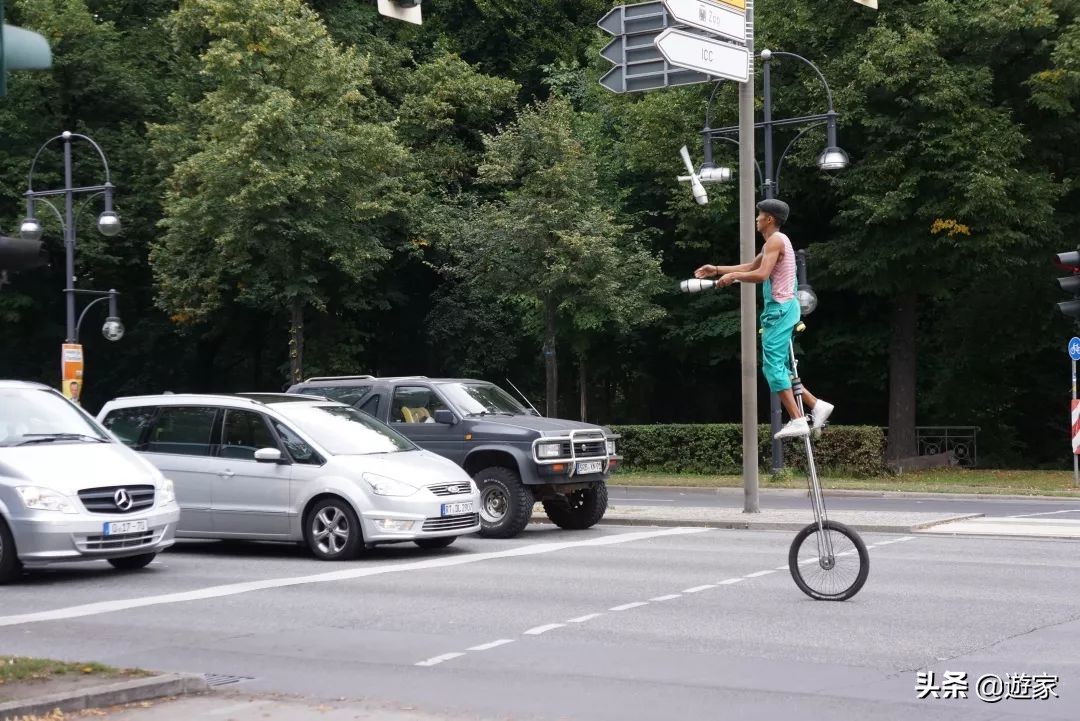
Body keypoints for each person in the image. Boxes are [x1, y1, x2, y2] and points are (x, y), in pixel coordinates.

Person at [694, 199, 833, 439]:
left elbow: (760, 275)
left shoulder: (776, 241)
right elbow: (752, 265)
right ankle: (817, 405)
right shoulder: (776, 242)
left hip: (779, 310)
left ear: (769, 219)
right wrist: (717, 270)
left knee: (771, 368)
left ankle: (798, 419)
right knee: (780, 367)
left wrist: (734, 277)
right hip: (783, 310)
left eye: (759, 216)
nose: (756, 219)